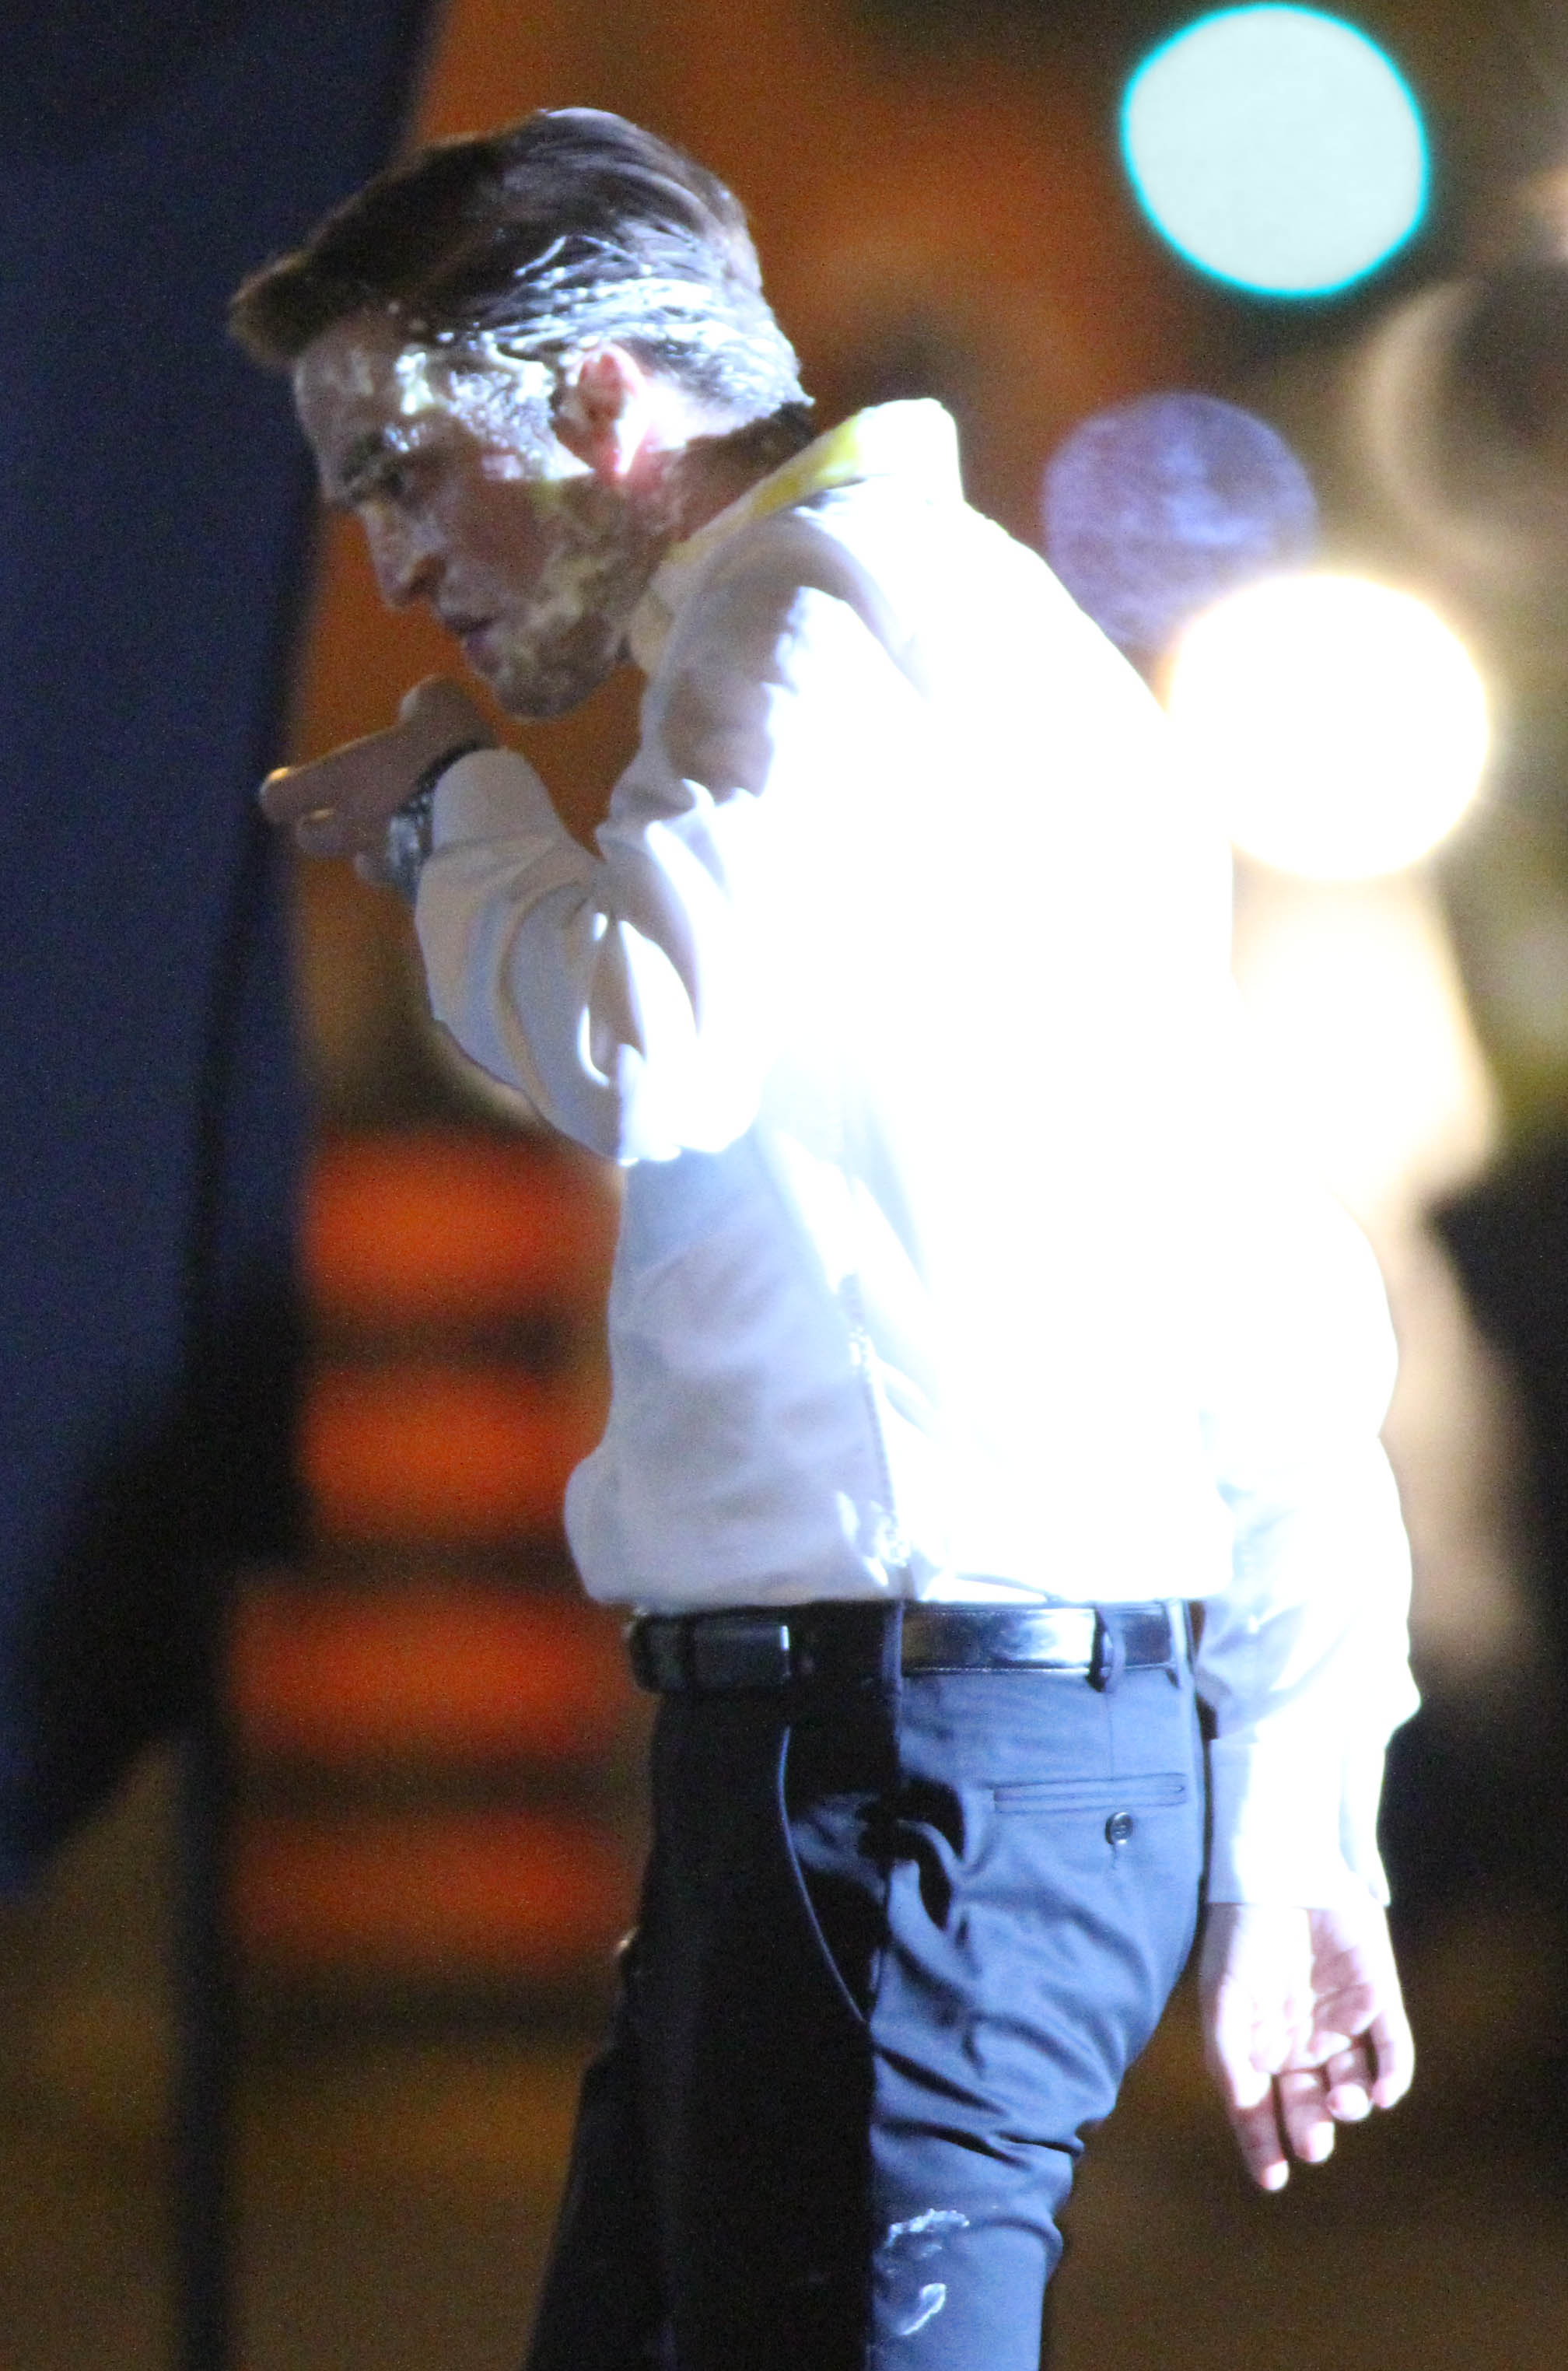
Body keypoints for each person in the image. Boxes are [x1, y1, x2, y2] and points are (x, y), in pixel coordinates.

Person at [233, 108, 1417, 2371]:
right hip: (942, 1766)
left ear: (597, 401)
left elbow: (640, 1038)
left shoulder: (804, 613)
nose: (393, 565)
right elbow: (1257, 1279)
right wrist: (1298, 1812)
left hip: (907, 1766)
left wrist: (455, 813)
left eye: (405, 471)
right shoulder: (982, 633)